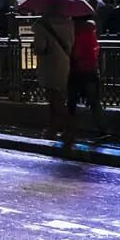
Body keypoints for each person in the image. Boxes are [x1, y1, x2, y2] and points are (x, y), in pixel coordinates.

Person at [32, 11, 75, 144]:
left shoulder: (42, 26)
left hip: (50, 65)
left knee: (54, 99)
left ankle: (65, 129)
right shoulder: (69, 23)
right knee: (60, 96)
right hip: (65, 62)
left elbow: (41, 47)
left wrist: (35, 44)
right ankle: (56, 127)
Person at [68, 13, 106, 137]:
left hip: (77, 70)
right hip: (91, 69)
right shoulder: (91, 31)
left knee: (72, 100)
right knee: (94, 101)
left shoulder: (76, 32)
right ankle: (102, 128)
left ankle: (71, 129)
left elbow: (77, 52)